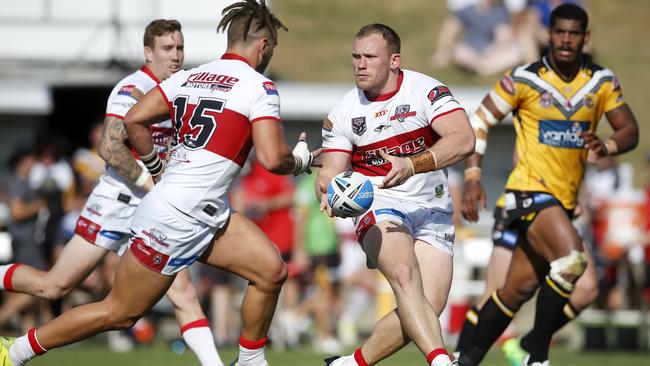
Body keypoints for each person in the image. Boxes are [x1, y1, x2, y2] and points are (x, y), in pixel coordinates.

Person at [0, 1, 318, 365]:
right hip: (172, 218)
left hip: (202, 213)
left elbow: (135, 120)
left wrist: (155, 166)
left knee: (271, 271)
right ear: (263, 47)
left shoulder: (188, 77)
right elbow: (272, 157)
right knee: (117, 312)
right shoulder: (259, 86)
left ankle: (249, 361)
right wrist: (300, 162)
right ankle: (15, 351)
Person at [0, 19, 225, 366]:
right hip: (117, 203)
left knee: (184, 294)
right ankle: (15, 349)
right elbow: (110, 148)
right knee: (54, 286)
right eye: (168, 49)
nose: (176, 55)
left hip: (156, 208)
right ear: (148, 52)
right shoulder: (132, 88)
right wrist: (154, 181)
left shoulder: (183, 85)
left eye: (180, 48)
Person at [456, 4, 639, 365]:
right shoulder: (523, 79)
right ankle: (535, 354)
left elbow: (629, 129)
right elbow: (478, 122)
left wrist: (609, 144)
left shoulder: (601, 82)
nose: (566, 40)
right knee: (571, 262)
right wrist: (473, 177)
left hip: (563, 205)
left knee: (516, 291)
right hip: (526, 195)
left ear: (586, 38)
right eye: (560, 32)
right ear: (548, 34)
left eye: (574, 33)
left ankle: (466, 360)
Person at [319, 23, 475, 366]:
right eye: (356, 56)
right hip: (379, 204)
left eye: (369, 57)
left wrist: (413, 164)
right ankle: (440, 361)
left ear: (394, 61)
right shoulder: (343, 112)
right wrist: (327, 188)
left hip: (433, 209)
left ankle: (350, 364)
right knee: (404, 275)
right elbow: (331, 168)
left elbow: (463, 139)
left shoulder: (426, 91)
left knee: (425, 307)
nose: (360, 64)